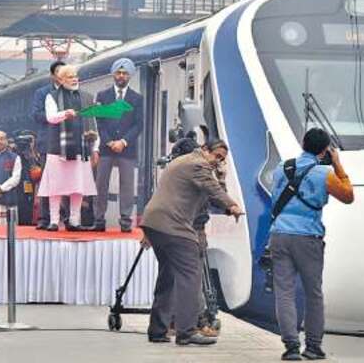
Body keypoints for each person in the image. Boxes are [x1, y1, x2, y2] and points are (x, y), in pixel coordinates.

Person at [140, 140, 243, 346]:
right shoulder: (198, 164)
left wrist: (221, 179)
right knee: (191, 277)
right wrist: (232, 205)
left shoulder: (184, 162)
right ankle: (186, 331)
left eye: (222, 160)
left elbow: (209, 195)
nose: (218, 162)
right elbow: (213, 190)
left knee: (167, 276)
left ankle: (158, 330)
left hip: (154, 223)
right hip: (174, 226)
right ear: (205, 150)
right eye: (217, 156)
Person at [269, 128, 354, 361]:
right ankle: (313, 347)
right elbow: (348, 195)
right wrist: (337, 164)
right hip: (307, 238)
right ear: (325, 149)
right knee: (313, 293)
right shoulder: (324, 173)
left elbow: (274, 198)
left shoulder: (281, 168)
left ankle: (291, 347)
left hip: (279, 234)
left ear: (303, 143)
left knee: (284, 292)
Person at [37, 65, 97, 232]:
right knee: (55, 187)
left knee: (78, 187)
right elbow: (50, 117)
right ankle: (54, 221)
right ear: (61, 80)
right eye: (70, 76)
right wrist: (65, 114)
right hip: (58, 149)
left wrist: (95, 147)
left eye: (75, 76)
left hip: (81, 147)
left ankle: (74, 221)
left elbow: (93, 123)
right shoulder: (52, 96)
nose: (74, 79)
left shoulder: (86, 97)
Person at [92, 57, 143, 233]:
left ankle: (126, 220)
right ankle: (99, 219)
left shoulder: (137, 98)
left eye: (125, 73)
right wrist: (108, 141)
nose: (121, 76)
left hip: (127, 149)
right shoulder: (102, 96)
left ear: (130, 76)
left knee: (127, 185)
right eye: (119, 73)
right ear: (113, 74)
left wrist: (123, 142)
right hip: (106, 148)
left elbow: (139, 124)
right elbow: (100, 121)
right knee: (101, 184)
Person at [31, 61, 65, 230]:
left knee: (67, 181)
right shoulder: (42, 93)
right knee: (48, 181)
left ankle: (64, 217)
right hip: (48, 142)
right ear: (52, 75)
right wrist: (57, 116)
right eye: (59, 72)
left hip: (68, 142)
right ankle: (45, 218)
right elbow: (36, 114)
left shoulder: (72, 93)